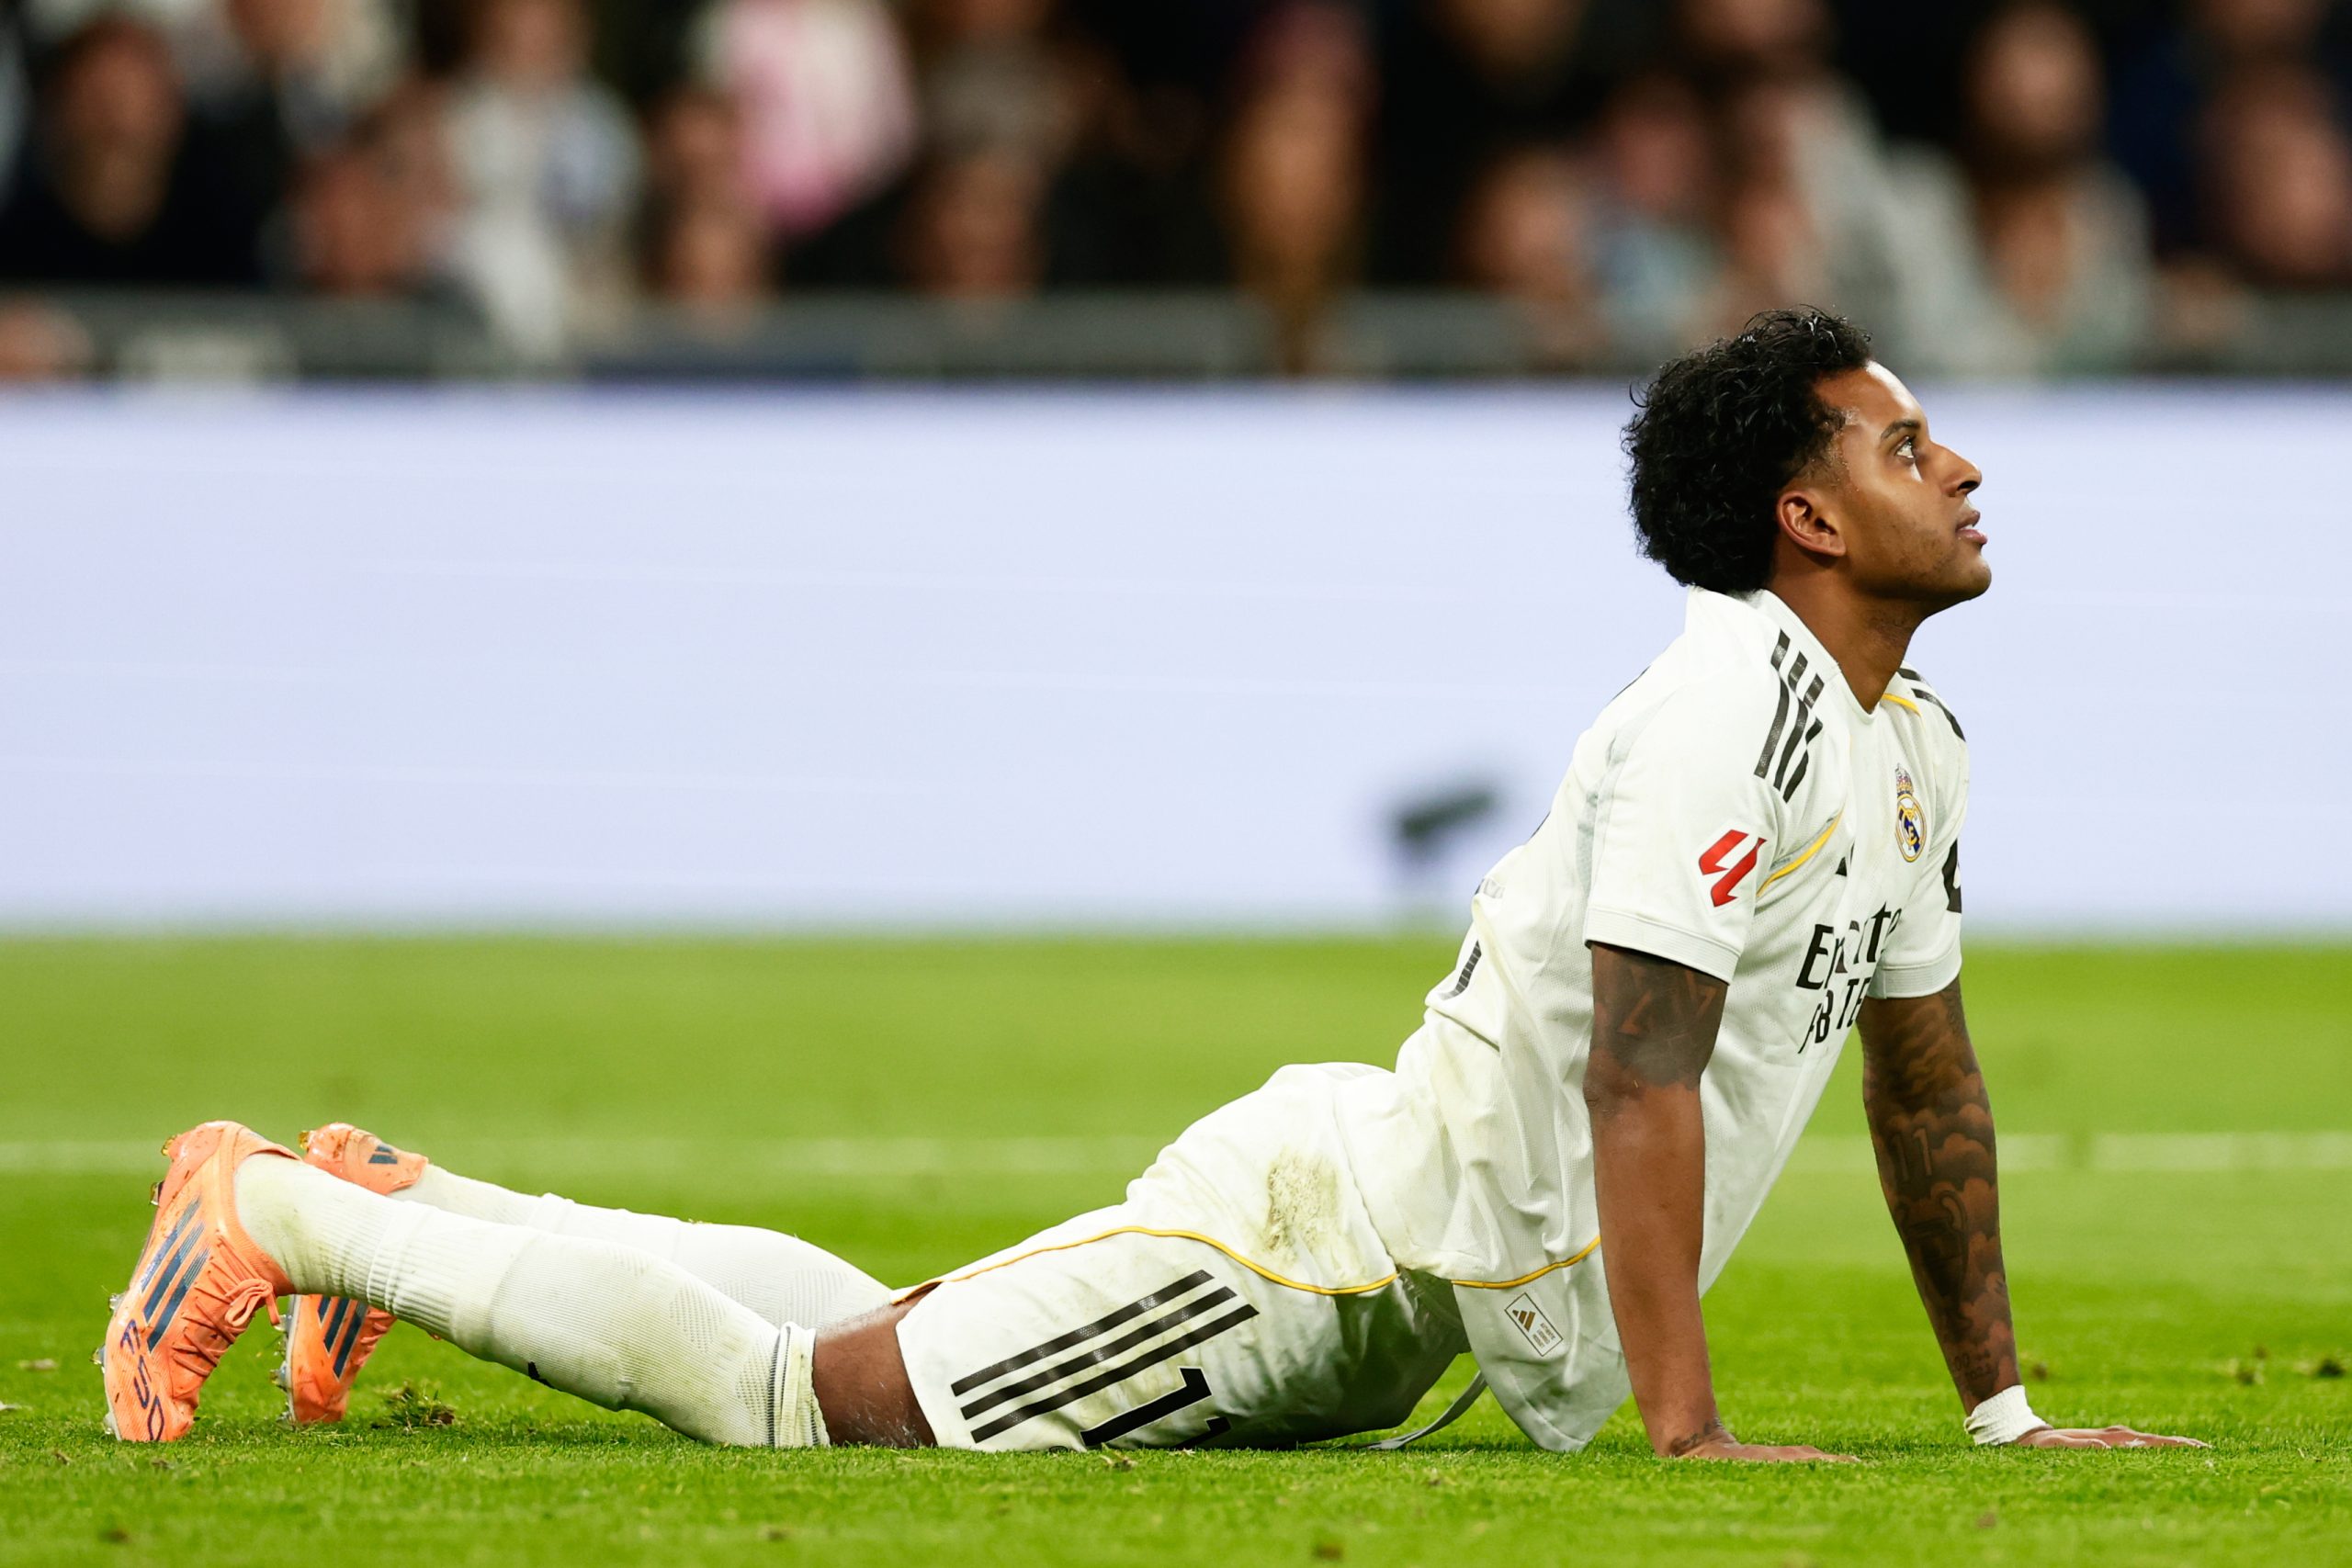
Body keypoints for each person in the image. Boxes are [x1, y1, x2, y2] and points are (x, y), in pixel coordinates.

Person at [103, 308, 2205, 1461]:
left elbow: (1925, 1082)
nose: (1960, 464)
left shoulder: (1899, 746)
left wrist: (2003, 1415)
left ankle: (413, 1203)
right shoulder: (1726, 699)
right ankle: (275, 1212)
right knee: (808, 1409)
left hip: (1389, 1296)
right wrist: (1687, 1437)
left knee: (869, 1327)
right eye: (1902, 443)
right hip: (1320, 1254)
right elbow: (1639, 1061)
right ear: (1801, 519)